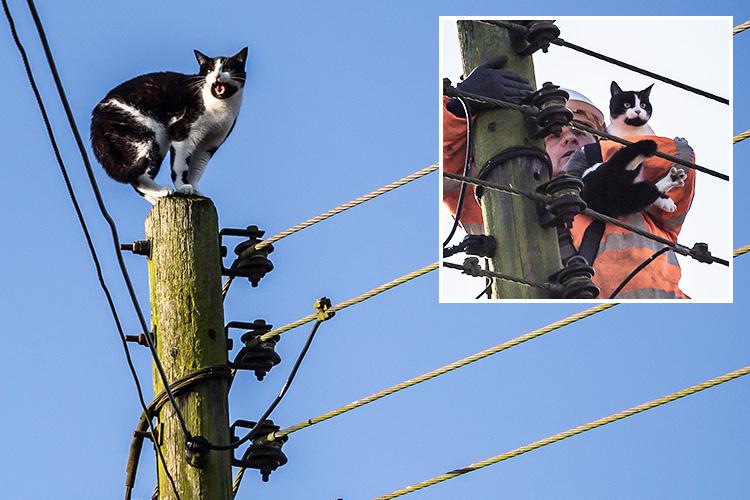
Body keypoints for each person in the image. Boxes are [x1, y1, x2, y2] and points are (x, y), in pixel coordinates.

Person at [443, 57, 695, 298]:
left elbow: (678, 157)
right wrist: (460, 107)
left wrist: (599, 158)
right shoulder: (500, 199)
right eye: (553, 133)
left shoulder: (639, 193)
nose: (570, 138)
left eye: (582, 131)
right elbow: (442, 174)